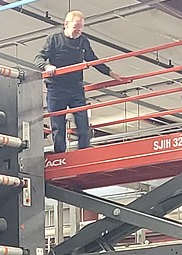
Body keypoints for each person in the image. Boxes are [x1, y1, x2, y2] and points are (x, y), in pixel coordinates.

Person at [35, 10, 119, 153]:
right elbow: (39, 58)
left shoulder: (83, 41)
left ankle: (84, 151)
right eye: (76, 27)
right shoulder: (54, 40)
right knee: (58, 124)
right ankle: (60, 154)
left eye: (81, 28)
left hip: (76, 87)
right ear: (66, 24)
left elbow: (92, 59)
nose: (78, 31)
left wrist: (110, 72)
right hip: (56, 88)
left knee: (82, 121)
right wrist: (47, 66)